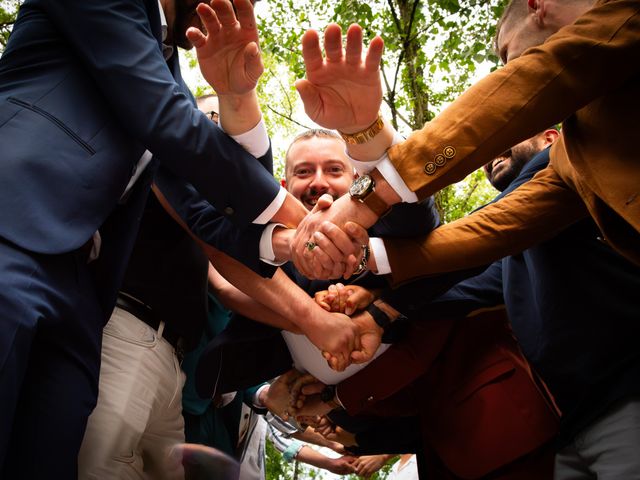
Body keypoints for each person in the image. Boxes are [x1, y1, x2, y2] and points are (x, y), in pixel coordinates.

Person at [289, 0, 640, 293]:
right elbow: (497, 228)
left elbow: (543, 75)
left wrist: (371, 196)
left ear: (538, 5)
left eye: (507, 53)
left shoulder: (624, 13)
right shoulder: (572, 153)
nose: (510, 66)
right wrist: (368, 255)